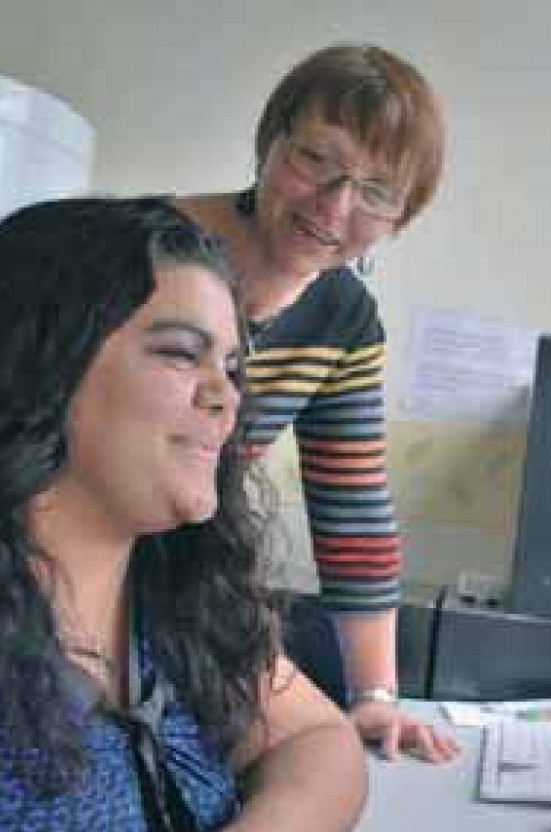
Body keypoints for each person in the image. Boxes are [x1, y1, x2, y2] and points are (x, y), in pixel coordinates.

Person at [0, 197, 367, 832]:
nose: (226, 398)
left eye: (231, 367)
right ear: (39, 361)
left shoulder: (175, 590)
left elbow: (321, 739)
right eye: (179, 352)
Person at [173, 43, 459, 763]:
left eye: (376, 192)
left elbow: (354, 506)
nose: (334, 206)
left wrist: (375, 697)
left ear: (402, 216)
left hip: (180, 585)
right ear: (271, 144)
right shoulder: (149, 250)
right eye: (315, 161)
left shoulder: (345, 321)